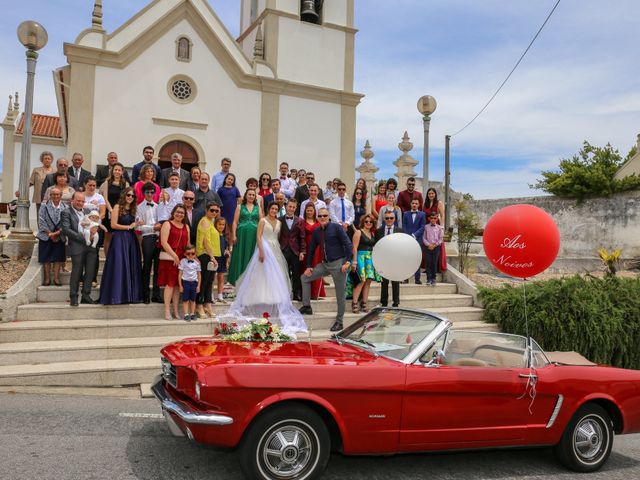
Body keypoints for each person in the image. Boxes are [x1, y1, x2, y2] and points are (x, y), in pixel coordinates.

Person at [222, 202, 308, 335]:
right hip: (264, 248)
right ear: (268, 209)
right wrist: (261, 251)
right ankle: (259, 298)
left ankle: (273, 298)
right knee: (261, 274)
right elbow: (258, 237)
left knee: (275, 275)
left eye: (276, 209)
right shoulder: (262, 221)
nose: (274, 210)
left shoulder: (279, 223)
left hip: (275, 250)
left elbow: (278, 238)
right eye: (272, 208)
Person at [300, 207, 352, 331]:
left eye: (325, 215)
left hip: (338, 264)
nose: (322, 218)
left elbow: (348, 244)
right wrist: (309, 266)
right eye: (320, 216)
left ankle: (339, 321)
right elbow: (311, 250)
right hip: (324, 264)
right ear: (317, 217)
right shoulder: (317, 231)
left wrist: (348, 262)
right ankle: (307, 306)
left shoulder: (337, 228)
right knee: (305, 278)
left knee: (340, 294)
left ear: (328, 216)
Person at [99, 187, 143, 305]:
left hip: (131, 240)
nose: (130, 197)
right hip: (119, 238)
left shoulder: (134, 209)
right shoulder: (117, 207)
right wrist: (129, 227)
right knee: (119, 265)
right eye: (128, 195)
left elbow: (135, 224)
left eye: (133, 196)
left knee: (130, 266)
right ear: (124, 195)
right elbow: (113, 225)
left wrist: (137, 224)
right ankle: (116, 295)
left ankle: (130, 295)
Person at [61, 192, 98, 306]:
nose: (80, 203)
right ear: (72, 200)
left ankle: (86, 296)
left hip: (90, 245)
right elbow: (66, 229)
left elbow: (95, 223)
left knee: (90, 271)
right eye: (78, 200)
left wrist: (93, 233)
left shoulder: (87, 212)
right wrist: (82, 239)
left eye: (82, 201)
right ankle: (73, 296)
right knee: (77, 271)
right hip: (77, 246)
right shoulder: (66, 212)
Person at [158, 204, 190, 320]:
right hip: (170, 258)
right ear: (173, 212)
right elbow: (164, 242)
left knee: (177, 285)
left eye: (182, 212)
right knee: (170, 284)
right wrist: (175, 256)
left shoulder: (186, 226)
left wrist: (188, 257)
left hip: (181, 259)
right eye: (178, 212)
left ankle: (176, 310)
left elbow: (188, 244)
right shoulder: (167, 224)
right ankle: (167, 310)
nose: (179, 214)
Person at [228, 189, 262, 285]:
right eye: (249, 194)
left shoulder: (258, 207)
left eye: (253, 195)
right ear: (245, 196)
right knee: (240, 254)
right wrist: (234, 235)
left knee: (252, 254)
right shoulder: (239, 207)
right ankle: (239, 278)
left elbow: (261, 222)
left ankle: (251, 279)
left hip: (254, 235)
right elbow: (234, 222)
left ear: (255, 197)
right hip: (241, 234)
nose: (251, 196)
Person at [136, 183, 163, 304]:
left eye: (152, 192)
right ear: (143, 193)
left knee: (158, 268)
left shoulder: (159, 206)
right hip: (147, 239)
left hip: (158, 239)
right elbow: (139, 227)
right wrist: (153, 227)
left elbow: (161, 223)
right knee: (146, 267)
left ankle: (156, 295)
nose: (150, 194)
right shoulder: (139, 208)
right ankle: (145, 294)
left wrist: (155, 226)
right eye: (148, 192)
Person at [349, 214, 380, 313]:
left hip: (370, 259)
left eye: (370, 222)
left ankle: (364, 302)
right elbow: (354, 248)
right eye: (366, 221)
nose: (368, 223)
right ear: (363, 222)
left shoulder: (373, 234)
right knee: (360, 281)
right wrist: (354, 262)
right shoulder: (358, 232)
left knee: (368, 281)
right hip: (360, 258)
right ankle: (354, 303)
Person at [195, 201, 221, 318]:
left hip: (213, 255)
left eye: (216, 211)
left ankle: (207, 303)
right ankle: (199, 304)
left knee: (210, 281)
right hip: (206, 255)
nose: (214, 212)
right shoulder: (205, 221)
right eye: (212, 210)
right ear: (206, 210)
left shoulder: (211, 221)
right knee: (204, 281)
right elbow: (206, 241)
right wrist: (211, 257)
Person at [36, 187, 66, 286]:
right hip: (46, 235)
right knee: (46, 258)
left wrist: (56, 233)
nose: (55, 196)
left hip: (59, 236)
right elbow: (41, 220)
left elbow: (66, 223)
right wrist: (49, 233)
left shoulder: (65, 207)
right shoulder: (44, 206)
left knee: (58, 258)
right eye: (53, 194)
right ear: (50, 195)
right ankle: (47, 279)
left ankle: (56, 279)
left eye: (57, 194)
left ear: (61, 196)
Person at [99, 162, 129, 255]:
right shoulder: (107, 183)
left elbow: (126, 198)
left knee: (118, 236)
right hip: (109, 211)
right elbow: (105, 198)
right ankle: (108, 258)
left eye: (119, 170)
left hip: (121, 212)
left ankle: (116, 257)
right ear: (112, 171)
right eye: (115, 169)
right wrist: (111, 211)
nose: (117, 171)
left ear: (122, 172)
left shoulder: (125, 184)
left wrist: (119, 211)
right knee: (108, 236)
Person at [279, 199, 306, 301]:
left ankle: (296, 293)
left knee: (296, 273)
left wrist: (302, 251)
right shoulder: (279, 220)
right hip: (283, 249)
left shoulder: (300, 221)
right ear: (286, 206)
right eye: (290, 206)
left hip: (295, 250)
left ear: (296, 208)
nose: (291, 209)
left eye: (293, 207)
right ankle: (284, 293)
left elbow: (302, 237)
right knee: (283, 272)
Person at [82, 176, 107, 287]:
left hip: (96, 228)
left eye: (94, 185)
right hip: (82, 228)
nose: (92, 187)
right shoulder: (80, 196)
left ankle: (93, 278)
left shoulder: (100, 197)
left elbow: (102, 213)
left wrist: (94, 223)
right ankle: (82, 278)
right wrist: (86, 222)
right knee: (82, 254)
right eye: (90, 185)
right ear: (85, 185)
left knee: (94, 253)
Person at [375, 212, 404, 307]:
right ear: (384, 219)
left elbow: (402, 246)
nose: (389, 220)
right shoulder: (378, 231)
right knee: (384, 283)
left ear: (394, 219)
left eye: (391, 218)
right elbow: (376, 246)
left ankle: (396, 302)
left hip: (395, 260)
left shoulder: (399, 230)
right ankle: (384, 302)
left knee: (395, 282)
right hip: (383, 260)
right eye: (387, 218)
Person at [300, 203, 325, 299]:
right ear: (305, 211)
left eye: (311, 210)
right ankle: (307, 293)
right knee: (306, 269)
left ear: (314, 211)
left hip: (317, 249)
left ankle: (315, 293)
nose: (310, 212)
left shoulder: (318, 222)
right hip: (306, 248)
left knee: (316, 269)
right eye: (308, 210)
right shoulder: (302, 222)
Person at [423, 187, 447, 273]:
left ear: (435, 194)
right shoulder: (425, 203)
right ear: (427, 195)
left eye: (432, 193)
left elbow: (443, 215)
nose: (431, 195)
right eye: (429, 194)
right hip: (427, 226)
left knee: (437, 246)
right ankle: (427, 268)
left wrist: (442, 227)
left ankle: (437, 267)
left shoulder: (439, 203)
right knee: (427, 248)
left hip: (437, 226)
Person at [403, 198, 427, 284]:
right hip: (407, 239)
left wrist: (414, 235)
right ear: (410, 204)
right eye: (413, 203)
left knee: (417, 259)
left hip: (418, 239)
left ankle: (417, 279)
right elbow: (404, 226)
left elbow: (423, 227)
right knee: (407, 258)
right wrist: (408, 236)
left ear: (419, 205)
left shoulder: (422, 214)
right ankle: (405, 278)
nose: (414, 205)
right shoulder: (405, 214)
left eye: (416, 203)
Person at [27, 151, 55, 218]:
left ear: (51, 160)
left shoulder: (55, 171)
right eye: (45, 158)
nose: (47, 160)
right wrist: (20, 190)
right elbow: (30, 182)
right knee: (40, 215)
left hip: (52, 196)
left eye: (49, 158)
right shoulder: (36, 170)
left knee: (50, 215)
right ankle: (40, 228)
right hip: (39, 196)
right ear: (42, 160)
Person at [178, 245, 202, 321]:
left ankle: (192, 313)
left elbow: (199, 275)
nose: (191, 255)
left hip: (194, 283)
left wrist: (198, 286)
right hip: (185, 283)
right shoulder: (183, 261)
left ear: (195, 254)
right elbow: (180, 274)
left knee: (193, 300)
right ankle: (186, 314)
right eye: (188, 254)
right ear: (185, 254)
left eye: (193, 253)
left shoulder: (197, 263)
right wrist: (180, 285)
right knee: (185, 300)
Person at [423, 212, 444, 286]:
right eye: (431, 218)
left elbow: (441, 239)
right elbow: (424, 238)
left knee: (434, 263)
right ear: (429, 218)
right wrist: (429, 244)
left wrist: (434, 245)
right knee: (428, 263)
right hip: (428, 247)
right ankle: (428, 279)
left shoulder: (439, 228)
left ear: (437, 218)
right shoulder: (426, 227)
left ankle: (433, 278)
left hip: (436, 247)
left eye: (434, 218)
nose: (433, 219)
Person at [214, 217, 230, 304]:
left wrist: (227, 254)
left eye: (223, 225)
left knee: (221, 277)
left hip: (223, 259)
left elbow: (226, 247)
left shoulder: (225, 236)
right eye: (219, 224)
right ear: (216, 224)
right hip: (215, 258)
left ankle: (220, 296)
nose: (221, 226)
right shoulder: (214, 234)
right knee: (212, 278)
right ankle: (211, 296)